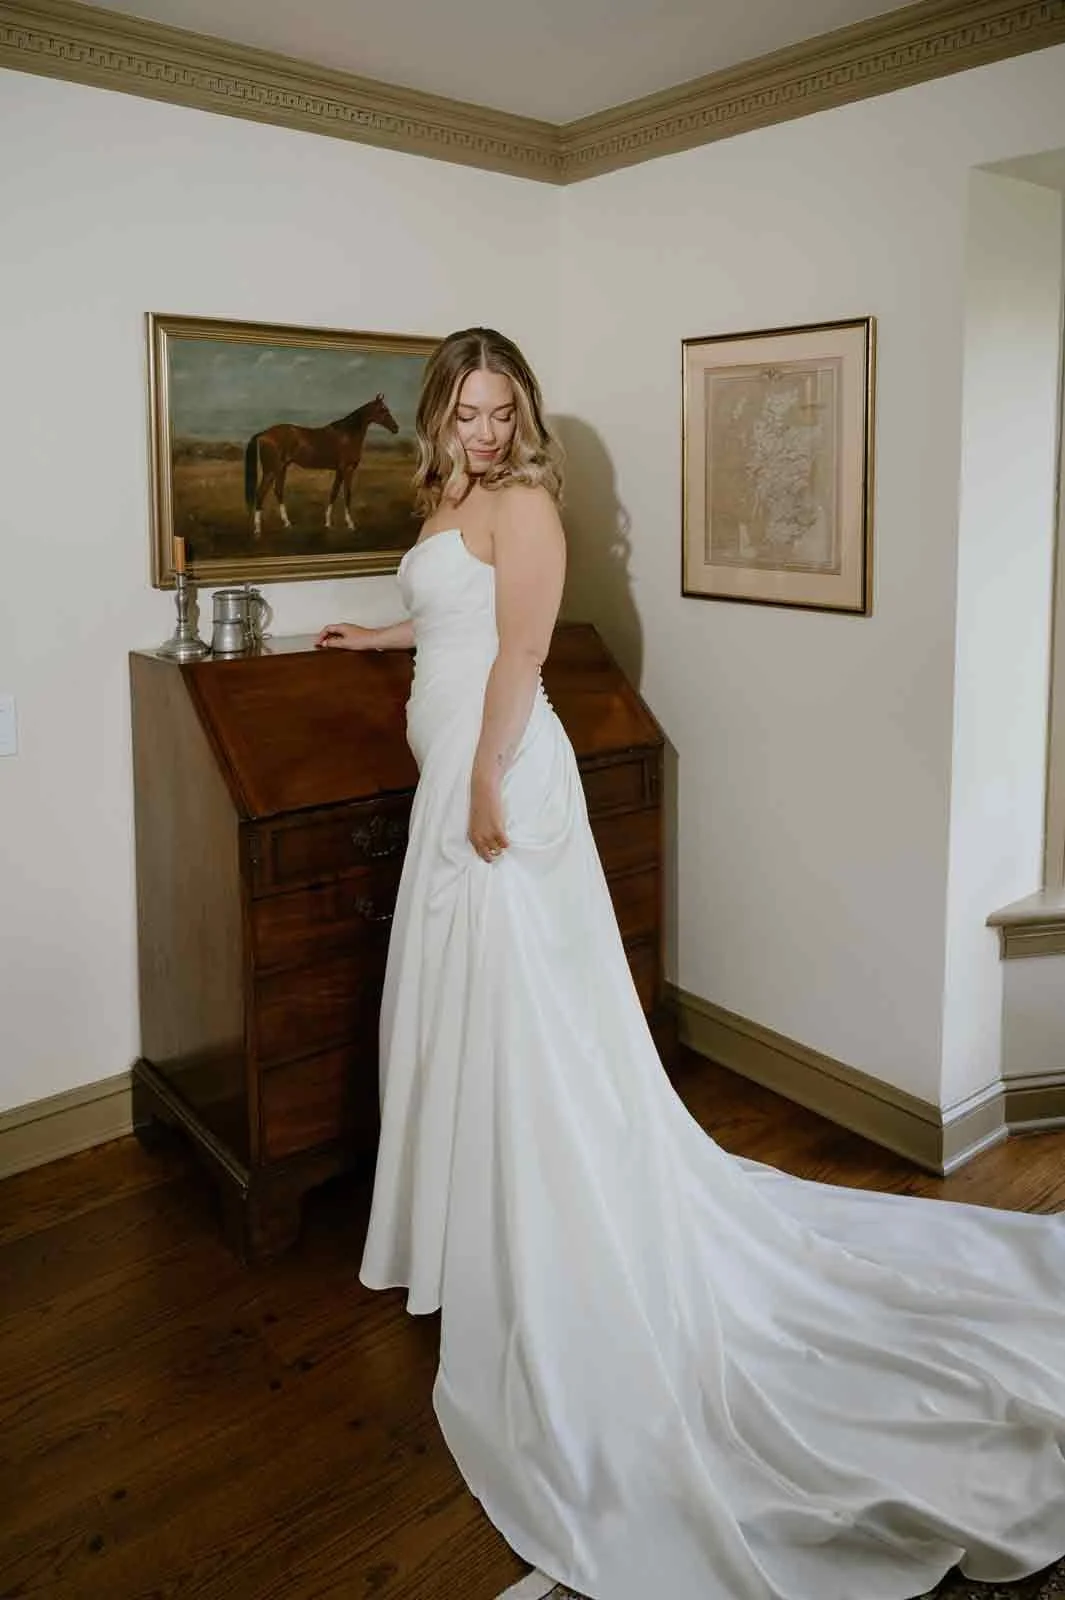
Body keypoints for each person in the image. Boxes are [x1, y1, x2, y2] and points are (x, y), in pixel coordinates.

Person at [317, 328, 1065, 1600]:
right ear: (439, 413)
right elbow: (456, 618)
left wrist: (487, 783)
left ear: (523, 418)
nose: (486, 432)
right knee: (465, 1018)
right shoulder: (450, 498)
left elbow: (521, 655)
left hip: (500, 782)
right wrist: (373, 637)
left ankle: (550, 1236)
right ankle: (474, 1224)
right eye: (469, 412)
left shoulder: (529, 504)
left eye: (504, 414)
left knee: (531, 1025)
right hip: (459, 761)